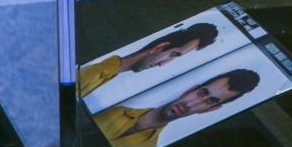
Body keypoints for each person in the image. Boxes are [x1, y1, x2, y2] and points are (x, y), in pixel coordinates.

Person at [93, 69, 261, 147]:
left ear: (211, 109)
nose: (192, 104)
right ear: (191, 89)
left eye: (210, 101)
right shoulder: (112, 106)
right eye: (202, 93)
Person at [79, 22, 219, 97]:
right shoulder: (90, 74)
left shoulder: (106, 73)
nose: (163, 65)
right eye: (174, 54)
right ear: (159, 47)